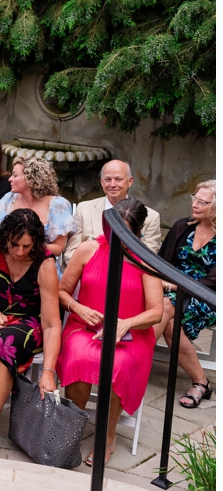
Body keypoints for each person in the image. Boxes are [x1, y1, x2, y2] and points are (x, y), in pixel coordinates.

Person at [51, 197, 163, 467]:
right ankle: (73, 428)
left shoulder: (145, 260)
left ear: (136, 232)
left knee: (118, 364)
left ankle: (107, 436)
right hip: (85, 327)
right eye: (111, 230)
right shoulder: (87, 249)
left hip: (130, 335)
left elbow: (157, 312)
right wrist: (78, 308)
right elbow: (62, 291)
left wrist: (126, 323)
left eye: (123, 232)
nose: (115, 237)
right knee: (78, 355)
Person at [0, 208, 61, 456]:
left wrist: (49, 372)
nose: (19, 251)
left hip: (28, 321)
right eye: (14, 244)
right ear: (5, 236)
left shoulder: (44, 262)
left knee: (5, 344)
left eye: (26, 246)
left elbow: (51, 323)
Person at [159, 181, 216, 409]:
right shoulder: (182, 226)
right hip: (172, 290)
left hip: (207, 296)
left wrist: (174, 287)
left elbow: (213, 281)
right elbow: (162, 262)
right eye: (195, 198)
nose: (195, 204)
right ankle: (201, 382)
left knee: (163, 306)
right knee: (170, 322)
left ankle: (133, 366)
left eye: (203, 202)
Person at [67, 160, 163, 264]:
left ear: (130, 181)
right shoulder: (84, 209)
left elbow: (148, 260)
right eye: (108, 179)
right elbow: (70, 254)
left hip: (129, 276)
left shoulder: (151, 217)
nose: (112, 184)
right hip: (88, 274)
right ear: (102, 182)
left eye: (118, 179)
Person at [0, 155, 75, 260]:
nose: (10, 179)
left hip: (42, 263)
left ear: (30, 179)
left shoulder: (57, 205)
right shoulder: (8, 199)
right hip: (9, 260)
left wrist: (27, 250)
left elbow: (58, 248)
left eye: (15, 175)